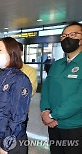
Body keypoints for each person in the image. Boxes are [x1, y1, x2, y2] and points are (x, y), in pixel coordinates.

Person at [40, 21, 82, 154]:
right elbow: (46, 89)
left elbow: (79, 98)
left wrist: (53, 115)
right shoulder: (57, 64)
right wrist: (45, 111)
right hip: (53, 126)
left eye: (73, 34)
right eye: (64, 36)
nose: (67, 38)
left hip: (75, 127)